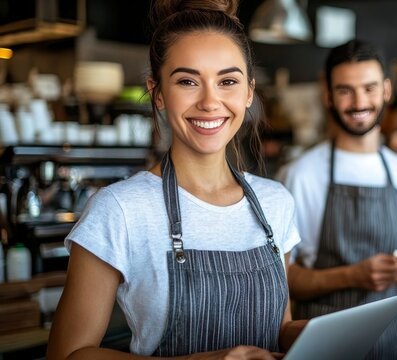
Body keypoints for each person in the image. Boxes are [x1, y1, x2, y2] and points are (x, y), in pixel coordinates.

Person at [47, 1, 305, 359]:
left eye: (227, 81)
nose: (210, 102)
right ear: (158, 92)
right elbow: (68, 354)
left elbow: (278, 327)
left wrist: (312, 334)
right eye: (187, 81)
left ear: (249, 92)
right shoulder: (120, 209)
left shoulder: (276, 202)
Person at [282, 39, 397, 360]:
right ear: (327, 95)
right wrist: (353, 275)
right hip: (323, 342)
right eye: (345, 90)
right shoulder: (302, 174)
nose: (358, 102)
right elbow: (286, 281)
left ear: (386, 90)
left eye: (368, 88)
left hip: (392, 339)